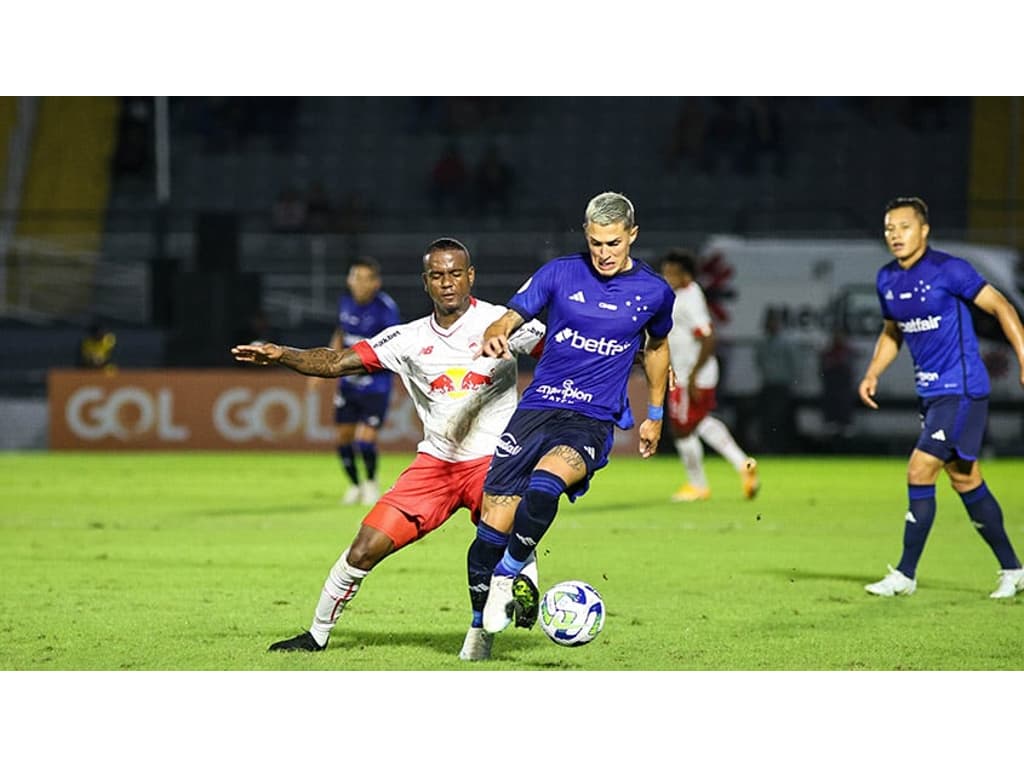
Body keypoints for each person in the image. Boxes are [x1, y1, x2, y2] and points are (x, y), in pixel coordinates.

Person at [231, 238, 545, 656]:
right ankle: (316, 635)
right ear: (425, 282)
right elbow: (335, 361)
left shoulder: (504, 323)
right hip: (435, 466)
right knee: (363, 549)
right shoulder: (407, 339)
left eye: (455, 273)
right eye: (437, 275)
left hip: (495, 463)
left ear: (471, 276)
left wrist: (642, 356)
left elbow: (566, 351)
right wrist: (282, 353)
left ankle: (495, 615)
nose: (447, 282)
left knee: (494, 543)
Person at [466, 191, 675, 642]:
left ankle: (509, 571)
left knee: (545, 487)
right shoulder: (560, 273)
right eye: (597, 242)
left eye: (614, 243)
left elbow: (657, 348)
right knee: (490, 530)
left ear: (632, 236)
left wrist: (655, 414)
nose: (604, 253)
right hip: (537, 409)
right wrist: (497, 331)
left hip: (591, 418)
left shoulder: (654, 292)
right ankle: (478, 634)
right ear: (587, 235)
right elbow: (511, 316)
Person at [859, 196, 1024, 599]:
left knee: (919, 469)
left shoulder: (949, 270)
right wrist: (873, 372)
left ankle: (905, 574)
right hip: (931, 393)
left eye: (904, 227)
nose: (895, 235)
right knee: (965, 479)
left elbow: (1001, 306)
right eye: (889, 229)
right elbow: (892, 331)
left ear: (924, 229)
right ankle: (1014, 569)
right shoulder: (886, 279)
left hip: (962, 390)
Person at [659, 248, 760, 502]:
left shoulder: (688, 299)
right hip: (696, 373)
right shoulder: (683, 294)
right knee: (700, 421)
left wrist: (692, 375)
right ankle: (743, 464)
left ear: (686, 276)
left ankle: (697, 485)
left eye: (673, 273)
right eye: (666, 271)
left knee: (682, 430)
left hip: (690, 374)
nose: (667, 276)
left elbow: (708, 336)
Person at [324, 257, 401, 505]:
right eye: (355, 277)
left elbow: (392, 347)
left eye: (365, 278)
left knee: (365, 440)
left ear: (376, 283)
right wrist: (329, 363)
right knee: (343, 439)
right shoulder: (345, 302)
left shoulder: (386, 309)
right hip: (348, 384)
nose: (359, 283)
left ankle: (370, 482)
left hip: (376, 385)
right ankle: (355, 485)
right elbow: (341, 333)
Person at [753, 308, 799, 453]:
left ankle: (780, 447)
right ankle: (768, 447)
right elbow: (759, 362)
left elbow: (793, 363)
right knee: (767, 418)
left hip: (781, 385)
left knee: (779, 418)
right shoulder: (763, 343)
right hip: (768, 385)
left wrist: (791, 381)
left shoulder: (785, 343)